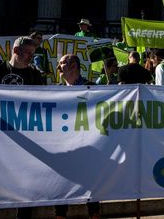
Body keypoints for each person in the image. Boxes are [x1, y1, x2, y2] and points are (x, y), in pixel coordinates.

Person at [0, 36, 45, 219]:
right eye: (28, 53)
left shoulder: (35, 76)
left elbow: (45, 104)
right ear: (15, 51)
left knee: (25, 192)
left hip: (23, 142)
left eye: (32, 53)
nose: (31, 57)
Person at [54, 54, 100, 219]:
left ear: (74, 66)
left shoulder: (91, 87)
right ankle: (60, 214)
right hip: (64, 144)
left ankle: (94, 213)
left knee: (91, 180)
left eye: (62, 63)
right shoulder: (55, 90)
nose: (58, 67)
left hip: (88, 144)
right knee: (62, 180)